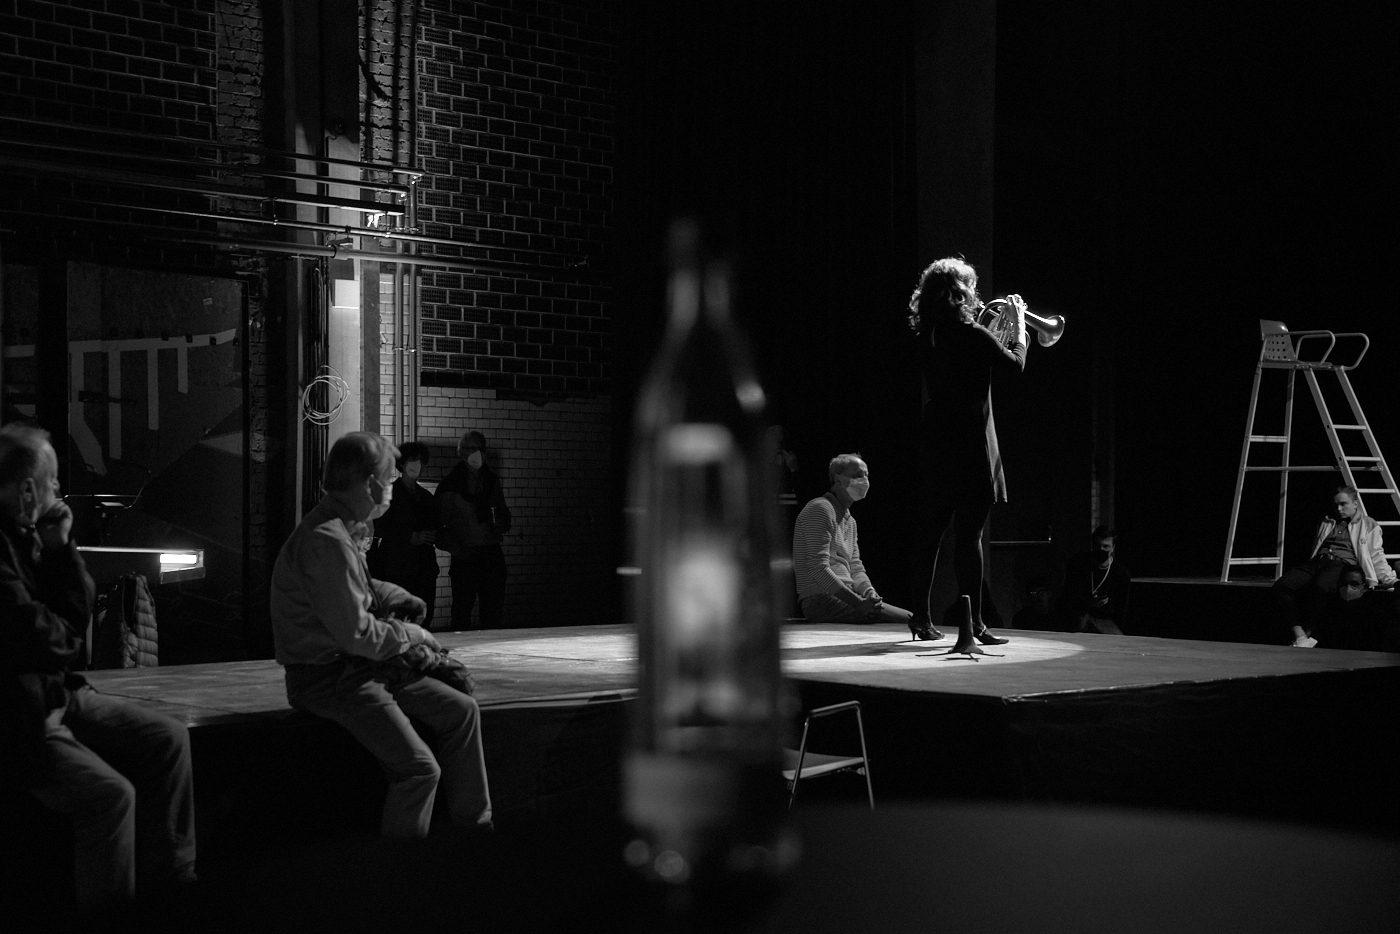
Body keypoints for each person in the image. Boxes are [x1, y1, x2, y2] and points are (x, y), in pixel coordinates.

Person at [0, 423, 196, 905]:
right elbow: (49, 638)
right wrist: (65, 636)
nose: (58, 492)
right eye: (52, 482)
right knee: (112, 798)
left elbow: (68, 623)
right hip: (18, 715)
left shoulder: (28, 537)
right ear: (28, 492)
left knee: (169, 738)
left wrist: (61, 547)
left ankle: (174, 887)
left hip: (52, 693)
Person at [271, 431, 491, 838]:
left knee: (462, 711)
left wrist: (394, 594)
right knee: (419, 770)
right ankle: (399, 869)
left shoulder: (340, 528)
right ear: (370, 483)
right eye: (389, 479)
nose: (391, 487)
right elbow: (359, 635)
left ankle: (476, 832)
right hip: (330, 679)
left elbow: (354, 589)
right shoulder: (326, 541)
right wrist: (414, 635)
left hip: (358, 668)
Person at [906, 257, 1025, 644]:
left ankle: (921, 618)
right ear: (959, 293)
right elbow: (1015, 365)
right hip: (971, 442)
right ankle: (973, 624)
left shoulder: (928, 334)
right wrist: (1019, 325)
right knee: (969, 537)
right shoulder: (971, 333)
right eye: (969, 288)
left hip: (937, 443)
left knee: (930, 535)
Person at [793, 454, 919, 628]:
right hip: (819, 599)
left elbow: (855, 567)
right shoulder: (820, 508)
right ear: (838, 480)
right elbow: (818, 568)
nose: (864, 480)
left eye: (866, 475)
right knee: (911, 621)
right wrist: (858, 603)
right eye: (858, 475)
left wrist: (869, 592)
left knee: (910, 619)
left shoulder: (850, 521)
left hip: (843, 597)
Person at [1275, 486, 1397, 647]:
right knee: (1282, 586)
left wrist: (1390, 580)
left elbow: (1376, 555)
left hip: (1341, 563)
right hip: (1318, 561)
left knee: (1321, 587)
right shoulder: (1327, 521)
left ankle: (1309, 632)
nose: (1339, 509)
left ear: (1355, 504)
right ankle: (1300, 635)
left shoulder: (1368, 524)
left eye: (1343, 504)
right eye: (1336, 505)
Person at [437, 430, 512, 631]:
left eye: (481, 448)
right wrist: (456, 549)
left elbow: (503, 514)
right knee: (462, 612)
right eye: (472, 448)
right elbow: (438, 525)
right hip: (466, 556)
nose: (477, 453)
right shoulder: (450, 485)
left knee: (493, 612)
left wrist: (502, 521)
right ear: (461, 452)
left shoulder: (491, 481)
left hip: (490, 553)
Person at [367, 441, 441, 627]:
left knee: (424, 616)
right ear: (402, 463)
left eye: (421, 461)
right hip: (397, 567)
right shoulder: (389, 493)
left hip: (424, 568)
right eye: (413, 460)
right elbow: (381, 527)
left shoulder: (426, 497)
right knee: (398, 618)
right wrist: (410, 537)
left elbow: (436, 526)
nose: (417, 465)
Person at [1059, 526, 1131, 635]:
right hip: (1080, 616)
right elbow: (1068, 597)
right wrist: (1088, 602)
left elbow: (1121, 608)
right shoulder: (1078, 565)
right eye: (1097, 545)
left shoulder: (1120, 573)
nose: (1101, 550)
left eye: (1106, 546)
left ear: (1113, 548)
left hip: (1105, 619)